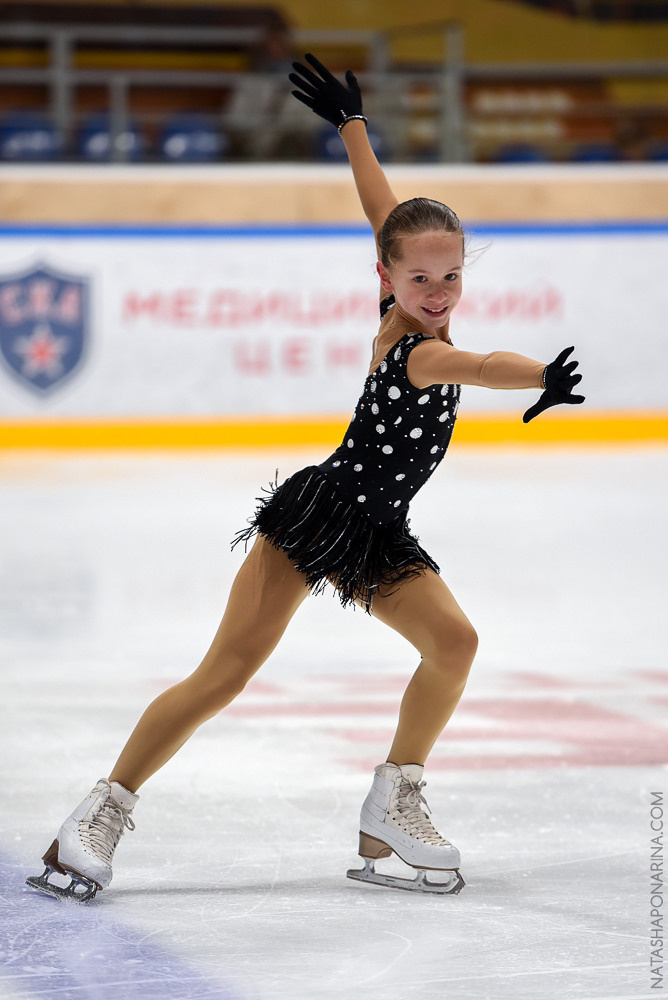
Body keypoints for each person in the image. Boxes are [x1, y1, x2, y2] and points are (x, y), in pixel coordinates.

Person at [26, 54, 584, 902]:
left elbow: (383, 213)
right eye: (420, 278)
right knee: (226, 672)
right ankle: (96, 815)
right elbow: (481, 362)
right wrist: (542, 374)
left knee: (455, 643)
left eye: (452, 275)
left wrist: (352, 128)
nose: (438, 291)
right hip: (318, 516)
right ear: (388, 280)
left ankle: (396, 797)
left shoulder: (400, 289)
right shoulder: (420, 346)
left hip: (378, 530)